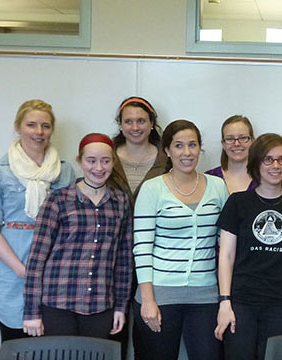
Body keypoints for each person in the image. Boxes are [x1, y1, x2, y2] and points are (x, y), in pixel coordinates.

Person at [0, 99, 76, 342]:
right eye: (31, 125)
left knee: (53, 348)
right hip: (12, 271)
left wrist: (49, 270)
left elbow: (71, 226)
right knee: (15, 346)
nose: (39, 132)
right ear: (18, 127)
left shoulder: (65, 171)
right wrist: (22, 271)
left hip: (54, 273)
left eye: (45, 126)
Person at [214, 133, 282, 360]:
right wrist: (224, 302)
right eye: (268, 159)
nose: (275, 165)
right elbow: (226, 256)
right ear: (256, 163)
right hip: (241, 303)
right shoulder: (238, 203)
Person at [132, 120, 229, 360]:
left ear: (200, 148)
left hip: (205, 294)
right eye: (179, 145)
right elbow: (142, 247)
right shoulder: (152, 188)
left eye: (192, 145)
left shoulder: (217, 186)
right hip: (160, 295)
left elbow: (226, 243)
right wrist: (148, 300)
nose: (187, 152)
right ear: (167, 150)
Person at [22, 133, 132, 338]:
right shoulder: (58, 200)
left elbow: (124, 261)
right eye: (91, 161)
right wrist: (31, 312)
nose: (98, 168)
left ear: (113, 162)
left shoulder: (121, 202)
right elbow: (36, 259)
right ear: (80, 161)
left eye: (105, 161)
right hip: (58, 305)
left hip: (101, 306)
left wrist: (120, 306)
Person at [108, 96, 168, 359]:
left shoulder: (168, 158)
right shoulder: (104, 156)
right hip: (112, 256)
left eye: (141, 121)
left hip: (156, 257)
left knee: (149, 328)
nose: (135, 127)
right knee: (113, 327)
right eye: (128, 121)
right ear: (120, 125)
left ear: (152, 123)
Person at [206, 115, 258, 193]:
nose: (237, 144)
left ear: (252, 141)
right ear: (223, 144)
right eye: (230, 139)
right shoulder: (208, 179)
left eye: (243, 138)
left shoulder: (265, 178)